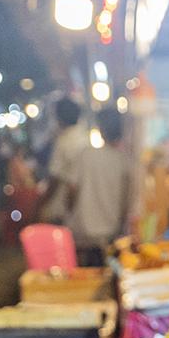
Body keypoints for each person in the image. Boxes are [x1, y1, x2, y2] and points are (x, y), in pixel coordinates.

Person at [55, 108, 139, 266]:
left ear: (100, 129)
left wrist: (68, 213)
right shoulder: (124, 161)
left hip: (82, 233)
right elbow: (125, 201)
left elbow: (71, 191)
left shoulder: (85, 155)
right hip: (111, 233)